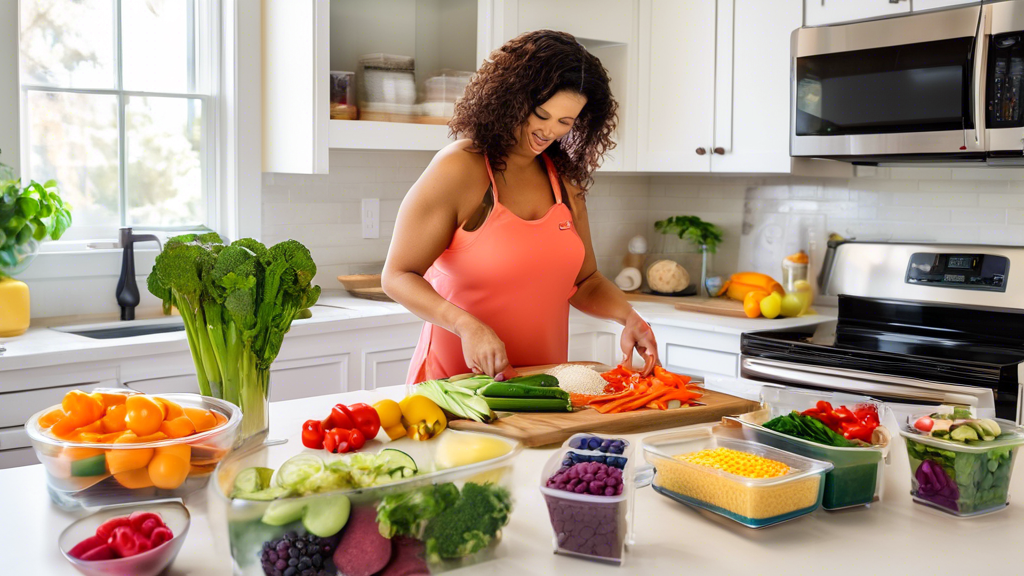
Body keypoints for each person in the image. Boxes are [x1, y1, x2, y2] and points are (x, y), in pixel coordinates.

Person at [382, 30, 659, 384]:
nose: (549, 132)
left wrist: (629, 316)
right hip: (454, 389)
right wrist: (466, 325)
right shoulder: (460, 168)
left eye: (565, 123)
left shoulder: (565, 180)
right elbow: (398, 276)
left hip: (543, 387)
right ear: (511, 98)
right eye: (541, 114)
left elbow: (585, 282)